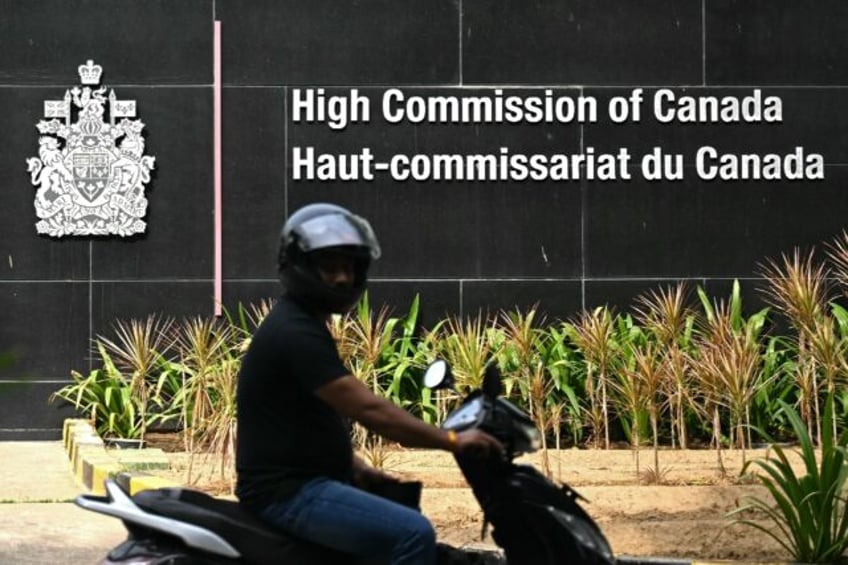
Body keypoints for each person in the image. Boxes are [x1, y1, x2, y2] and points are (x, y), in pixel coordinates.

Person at [236, 203, 503, 565]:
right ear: (300, 266)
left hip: (304, 482)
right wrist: (453, 440)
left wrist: (354, 465)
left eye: (350, 267)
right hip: (287, 494)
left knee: (397, 509)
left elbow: (301, 422)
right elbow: (371, 411)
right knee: (413, 532)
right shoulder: (294, 333)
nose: (343, 278)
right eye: (330, 267)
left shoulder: (302, 325)